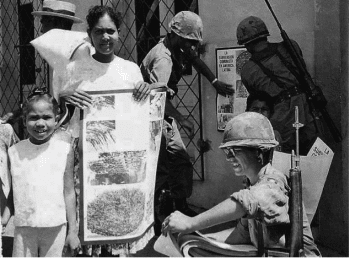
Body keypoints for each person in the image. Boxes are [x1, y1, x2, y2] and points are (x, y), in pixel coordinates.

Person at [30, 5, 159, 256]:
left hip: (120, 157)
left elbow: (139, 114)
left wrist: (146, 90)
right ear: (89, 33)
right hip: (83, 159)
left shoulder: (130, 70)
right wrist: (64, 96)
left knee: (116, 219)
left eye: (110, 31)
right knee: (85, 221)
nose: (105, 37)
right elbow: (58, 114)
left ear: (119, 33)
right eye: (99, 32)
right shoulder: (71, 69)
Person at [161, 112, 321, 257]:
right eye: (226, 151)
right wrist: (197, 239)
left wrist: (190, 223)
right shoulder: (253, 184)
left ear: (259, 152)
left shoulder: (275, 182)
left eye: (235, 150)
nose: (229, 158)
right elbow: (241, 235)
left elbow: (249, 200)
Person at [140, 11, 234, 234]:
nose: (191, 47)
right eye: (188, 41)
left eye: (194, 42)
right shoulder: (163, 59)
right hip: (149, 116)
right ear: (174, 35)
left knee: (180, 160)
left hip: (163, 113)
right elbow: (158, 98)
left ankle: (181, 208)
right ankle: (155, 219)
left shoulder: (179, 47)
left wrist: (214, 81)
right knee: (160, 169)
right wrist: (181, 118)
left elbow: (196, 61)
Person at [1, 89, 80, 257]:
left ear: (56, 119)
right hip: (24, 229)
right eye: (34, 117)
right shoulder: (15, 151)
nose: (40, 123)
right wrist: (3, 220)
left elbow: (69, 192)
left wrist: (73, 231)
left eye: (46, 117)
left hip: (56, 227)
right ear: (24, 120)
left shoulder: (64, 150)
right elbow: (15, 192)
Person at [237, 16, 318, 155]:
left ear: (247, 44)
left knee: (283, 159)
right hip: (307, 108)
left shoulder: (247, 70)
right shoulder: (290, 46)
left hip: (281, 117)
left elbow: (258, 97)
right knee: (313, 154)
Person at [0, 0, 84, 125]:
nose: (41, 29)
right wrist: (18, 112)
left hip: (74, 127)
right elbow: (53, 98)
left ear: (59, 23)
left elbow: (72, 101)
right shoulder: (55, 55)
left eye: (45, 21)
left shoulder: (78, 54)